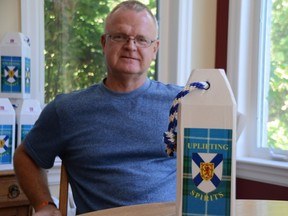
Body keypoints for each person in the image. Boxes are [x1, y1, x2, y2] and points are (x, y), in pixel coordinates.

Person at [13, 1, 182, 215]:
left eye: (141, 39)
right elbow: (25, 156)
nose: (131, 46)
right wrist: (44, 204)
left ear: (154, 49)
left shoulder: (181, 103)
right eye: (120, 36)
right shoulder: (67, 110)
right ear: (104, 43)